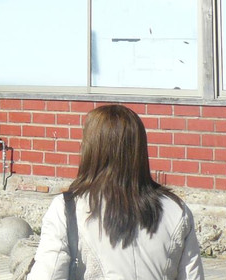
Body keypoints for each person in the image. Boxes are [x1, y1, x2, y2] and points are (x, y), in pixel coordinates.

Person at [27, 104, 205, 280]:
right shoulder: (177, 209)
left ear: (92, 149)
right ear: (139, 149)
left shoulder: (68, 208)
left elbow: (48, 274)